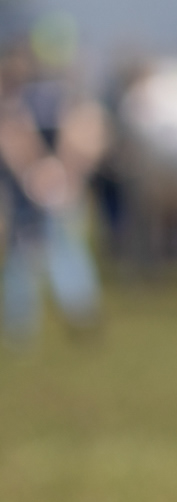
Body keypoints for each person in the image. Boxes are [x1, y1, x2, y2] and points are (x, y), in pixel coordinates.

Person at [0, 22, 107, 341]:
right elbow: (12, 131)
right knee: (24, 251)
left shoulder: (71, 94)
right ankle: (21, 324)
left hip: (60, 184)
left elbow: (85, 132)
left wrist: (65, 172)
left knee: (64, 244)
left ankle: (80, 313)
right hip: (26, 186)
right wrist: (32, 171)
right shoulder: (20, 93)